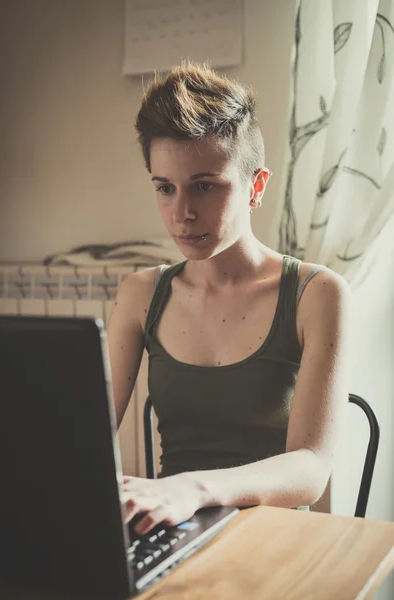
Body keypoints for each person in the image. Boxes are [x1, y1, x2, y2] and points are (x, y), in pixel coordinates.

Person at [107, 63, 351, 536]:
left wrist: (191, 488)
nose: (182, 213)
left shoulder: (317, 294)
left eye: (205, 185)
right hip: (169, 534)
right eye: (165, 188)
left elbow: (311, 470)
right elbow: (84, 438)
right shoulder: (141, 293)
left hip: (274, 541)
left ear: (256, 187)